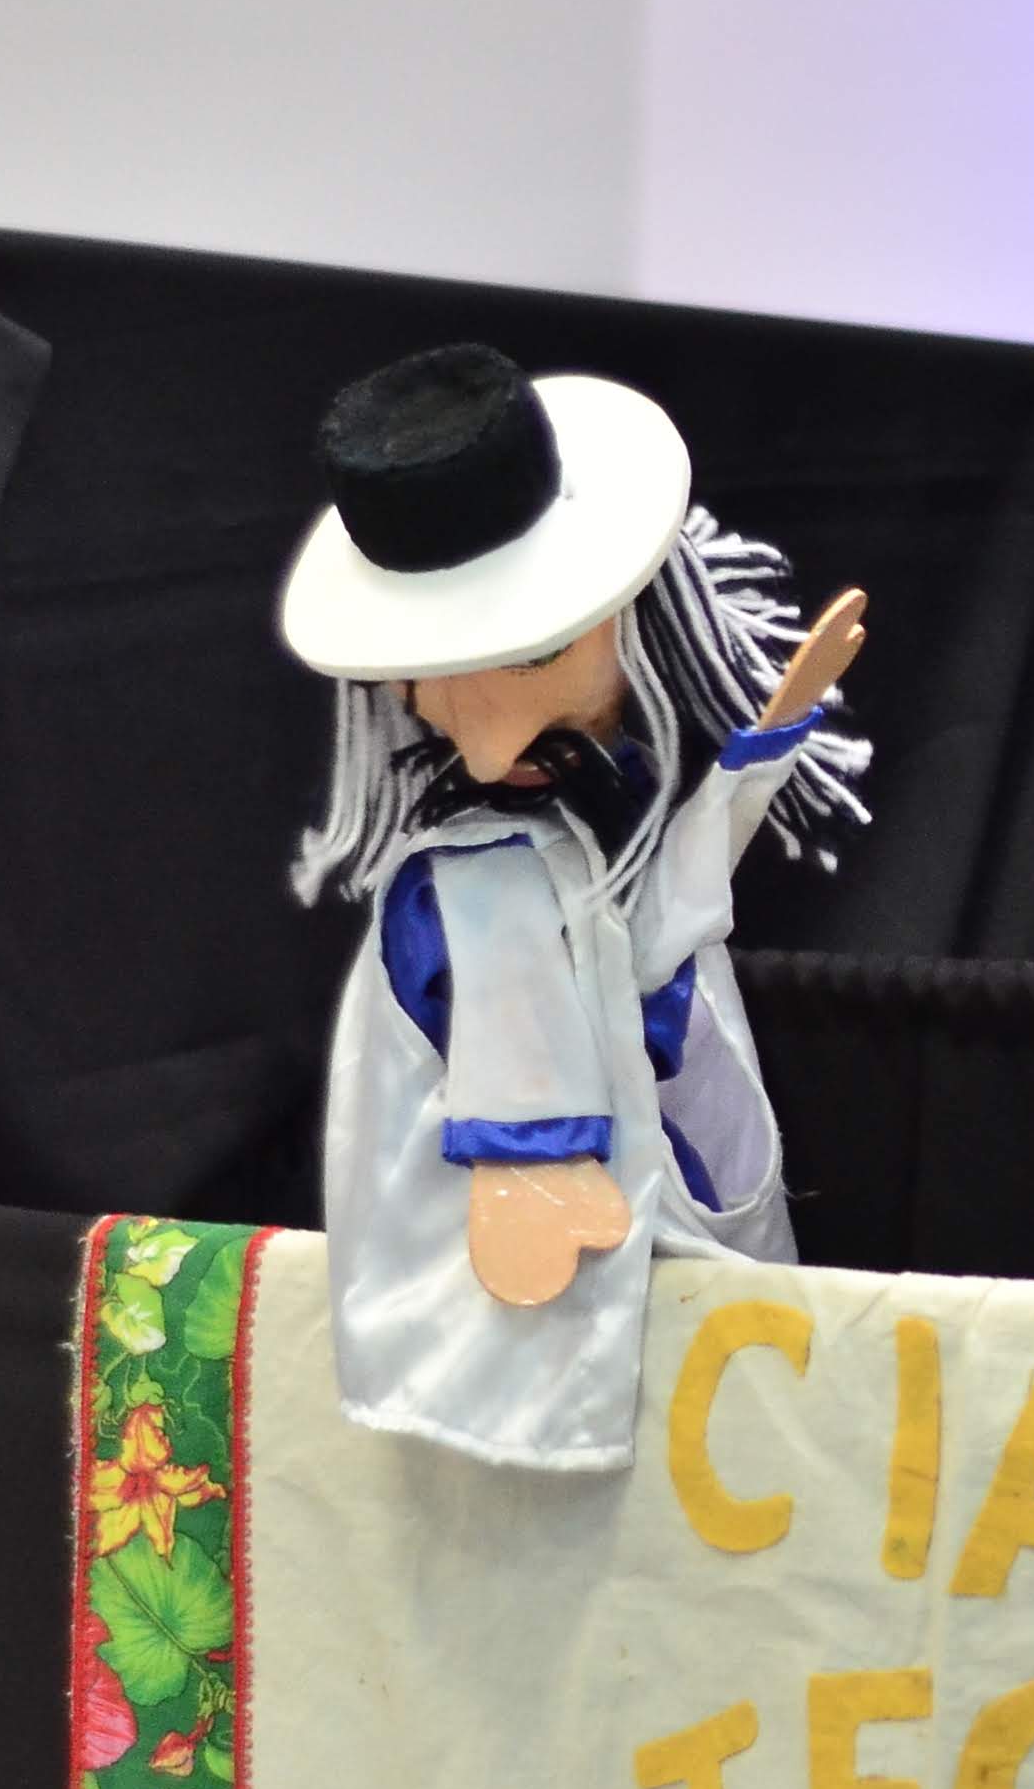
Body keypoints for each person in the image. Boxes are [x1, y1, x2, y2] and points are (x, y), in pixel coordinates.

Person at [279, 344, 867, 1473]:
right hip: (551, 1274)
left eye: (531, 653)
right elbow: (516, 1040)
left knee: (736, 1411)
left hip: (674, 1187)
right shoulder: (480, 882)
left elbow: (673, 904)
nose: (484, 740)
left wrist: (757, 758)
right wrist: (532, 1167)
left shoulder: (607, 817)